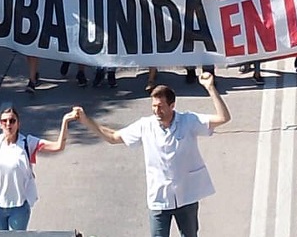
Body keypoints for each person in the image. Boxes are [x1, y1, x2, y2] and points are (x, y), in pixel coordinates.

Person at [76, 72, 231, 237]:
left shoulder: (188, 121)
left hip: (186, 196)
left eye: (161, 106)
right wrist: (86, 121)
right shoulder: (145, 125)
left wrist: (210, 88)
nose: (156, 111)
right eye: (154, 106)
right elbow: (113, 137)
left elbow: (223, 117)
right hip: (159, 200)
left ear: (172, 106)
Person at [4, 0, 43, 93]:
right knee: (28, 50)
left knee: (33, 49)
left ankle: (32, 80)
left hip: (35, 16)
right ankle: (34, 73)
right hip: (20, 17)